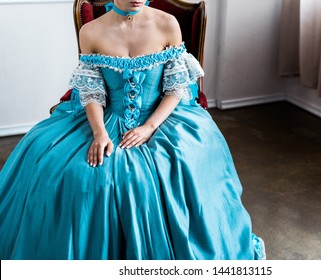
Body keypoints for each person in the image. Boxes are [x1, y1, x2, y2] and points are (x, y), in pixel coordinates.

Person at [0, 0, 265, 260]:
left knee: (179, 163)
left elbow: (176, 88)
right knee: (68, 170)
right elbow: (92, 92)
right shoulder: (91, 31)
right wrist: (100, 133)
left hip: (162, 116)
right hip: (107, 117)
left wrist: (150, 127)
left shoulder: (167, 23)